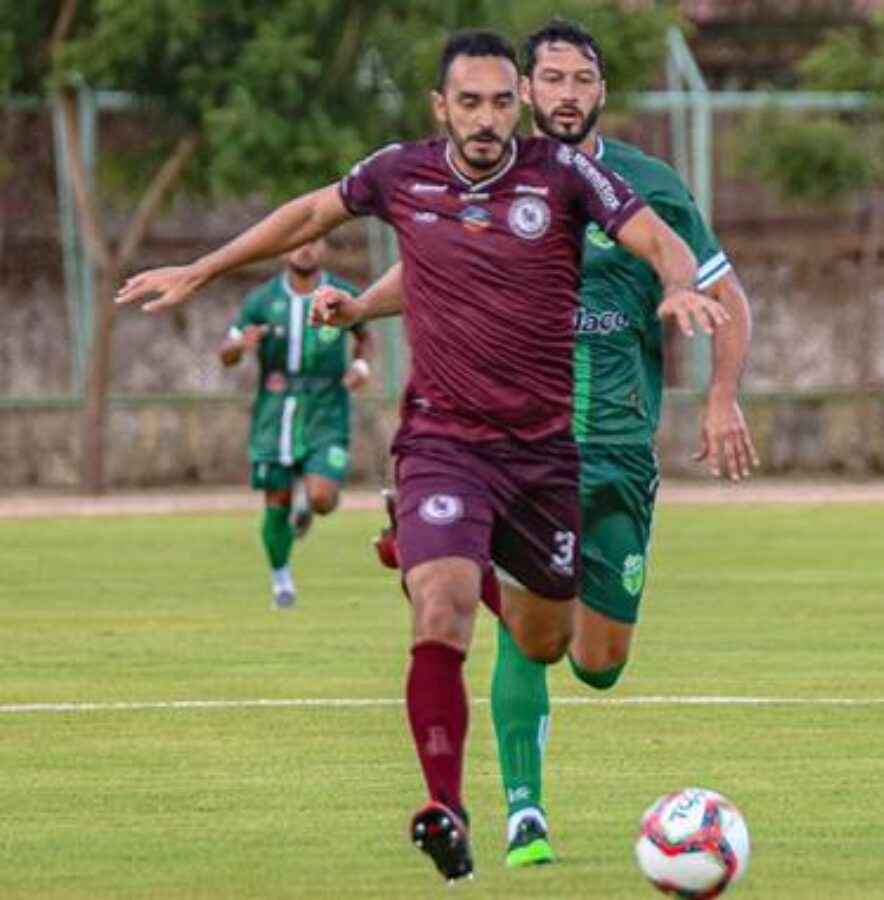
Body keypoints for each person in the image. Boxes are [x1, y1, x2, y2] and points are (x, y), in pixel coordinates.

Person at [116, 30, 728, 885]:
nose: (485, 119)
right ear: (441, 106)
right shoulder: (400, 173)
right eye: (467, 102)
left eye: (500, 102)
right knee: (438, 611)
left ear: (518, 104)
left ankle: (475, 564)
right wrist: (204, 267)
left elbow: (653, 233)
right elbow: (308, 213)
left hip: (546, 454)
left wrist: (673, 280)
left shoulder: (562, 176)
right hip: (444, 441)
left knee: (560, 647)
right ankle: (447, 806)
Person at [312, 19, 758, 870]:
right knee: (522, 635)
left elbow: (721, 290)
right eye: (548, 79)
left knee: (597, 663)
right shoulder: (494, 175)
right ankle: (524, 817)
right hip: (515, 445)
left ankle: (455, 554)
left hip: (622, 448)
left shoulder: (648, 186)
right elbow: (434, 263)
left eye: (580, 79)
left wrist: (723, 397)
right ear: (525, 91)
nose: (565, 94)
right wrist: (360, 307)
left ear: (599, 92)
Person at [218, 237, 371, 610]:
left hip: (327, 405)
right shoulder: (262, 301)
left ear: (324, 248)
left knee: (323, 498)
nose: (305, 249)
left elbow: (364, 333)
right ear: (285, 248)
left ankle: (310, 504)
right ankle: (281, 581)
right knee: (276, 501)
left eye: (313, 242)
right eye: (297, 242)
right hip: (275, 408)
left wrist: (360, 365)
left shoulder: (342, 293)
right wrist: (239, 348)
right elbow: (226, 354)